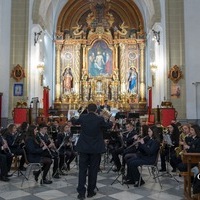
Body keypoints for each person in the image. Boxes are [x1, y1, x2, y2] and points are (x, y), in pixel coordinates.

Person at [72, 103, 113, 200]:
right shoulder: (99, 119)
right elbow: (107, 126)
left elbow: (74, 121)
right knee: (93, 170)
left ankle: (81, 193)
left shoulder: (83, 117)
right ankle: (90, 191)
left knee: (82, 170)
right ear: (96, 110)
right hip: (95, 148)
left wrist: (75, 115)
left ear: (87, 109)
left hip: (84, 148)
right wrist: (111, 121)